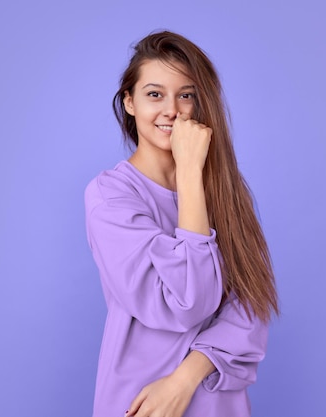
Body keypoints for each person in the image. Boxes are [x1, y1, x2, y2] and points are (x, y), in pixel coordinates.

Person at [84, 30, 279, 417]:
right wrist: (191, 171)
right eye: (154, 94)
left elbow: (252, 307)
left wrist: (184, 379)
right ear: (130, 102)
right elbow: (189, 303)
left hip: (214, 398)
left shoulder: (224, 187)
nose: (171, 109)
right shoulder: (110, 196)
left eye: (186, 95)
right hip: (141, 400)